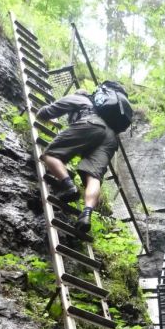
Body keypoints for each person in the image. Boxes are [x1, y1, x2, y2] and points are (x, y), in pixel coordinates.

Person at [36, 89, 118, 233]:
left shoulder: (78, 98)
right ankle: (86, 214)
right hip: (110, 137)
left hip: (91, 125)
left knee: (50, 155)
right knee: (94, 177)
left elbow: (45, 113)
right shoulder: (100, 109)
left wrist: (43, 115)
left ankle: (69, 187)